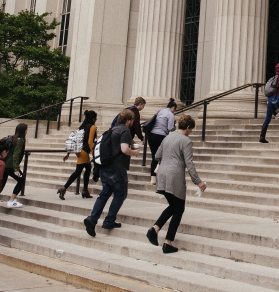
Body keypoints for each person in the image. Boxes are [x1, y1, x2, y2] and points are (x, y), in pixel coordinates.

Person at [146, 114, 205, 254]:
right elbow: (189, 163)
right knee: (179, 209)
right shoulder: (186, 141)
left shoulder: (167, 137)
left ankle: (155, 229)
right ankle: (167, 242)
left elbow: (157, 156)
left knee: (173, 206)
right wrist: (199, 182)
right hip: (174, 176)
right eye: (191, 129)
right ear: (188, 127)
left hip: (162, 174)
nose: (190, 132)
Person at [84, 109, 139, 236]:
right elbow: (124, 149)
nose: (133, 122)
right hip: (117, 167)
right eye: (132, 120)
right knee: (121, 194)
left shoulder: (112, 129)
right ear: (128, 120)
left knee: (105, 193)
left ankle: (92, 219)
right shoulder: (125, 130)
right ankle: (109, 220)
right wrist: (134, 152)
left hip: (105, 166)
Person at [59, 110, 97, 200]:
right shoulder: (92, 127)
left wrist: (68, 153)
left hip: (79, 151)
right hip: (84, 152)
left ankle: (85, 190)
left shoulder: (81, 127)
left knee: (88, 168)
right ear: (93, 118)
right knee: (78, 171)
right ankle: (64, 188)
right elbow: (90, 143)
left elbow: (74, 140)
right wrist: (94, 154)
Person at [259, 61, 279, 143]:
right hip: (277, 98)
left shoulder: (275, 76)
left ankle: (262, 137)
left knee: (268, 117)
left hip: (270, 99)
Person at [147, 100, 177, 178]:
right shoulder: (171, 114)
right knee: (163, 156)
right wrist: (174, 126)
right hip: (160, 136)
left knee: (154, 156)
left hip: (151, 134)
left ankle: (152, 177)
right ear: (173, 107)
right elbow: (170, 128)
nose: (174, 111)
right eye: (175, 110)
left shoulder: (160, 111)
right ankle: (159, 173)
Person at [3, 123, 27, 208]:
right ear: (24, 131)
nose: (27, 131)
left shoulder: (12, 138)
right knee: (21, 180)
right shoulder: (20, 140)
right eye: (26, 130)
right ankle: (11, 200)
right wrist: (16, 169)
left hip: (4, 164)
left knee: (1, 184)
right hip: (10, 166)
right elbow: (15, 155)